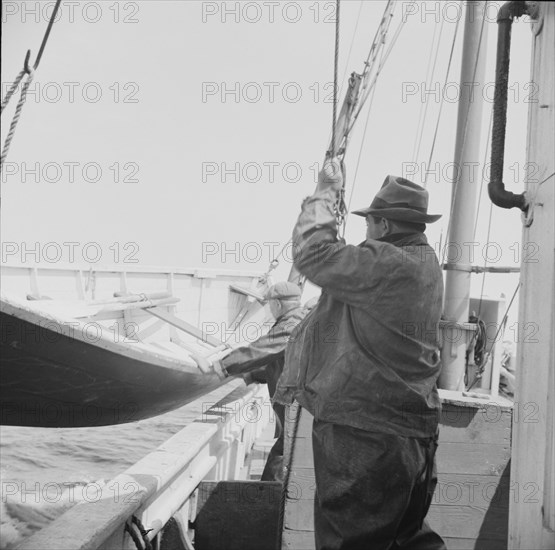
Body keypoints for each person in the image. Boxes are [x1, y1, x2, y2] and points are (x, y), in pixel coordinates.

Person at [276, 160, 446, 549]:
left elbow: (311, 253)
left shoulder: (387, 263)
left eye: (369, 225)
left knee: (351, 541)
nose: (364, 234)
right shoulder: (426, 264)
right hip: (412, 437)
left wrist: (325, 191)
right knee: (408, 539)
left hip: (367, 437)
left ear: (384, 226)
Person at [215, 281, 307, 482]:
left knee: (282, 458)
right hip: (296, 407)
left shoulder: (291, 325)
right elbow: (279, 364)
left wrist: (220, 366)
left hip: (298, 408)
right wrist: (249, 374)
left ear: (277, 305)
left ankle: (270, 504)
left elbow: (258, 350)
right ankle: (272, 498)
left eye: (269, 305)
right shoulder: (298, 320)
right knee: (286, 452)